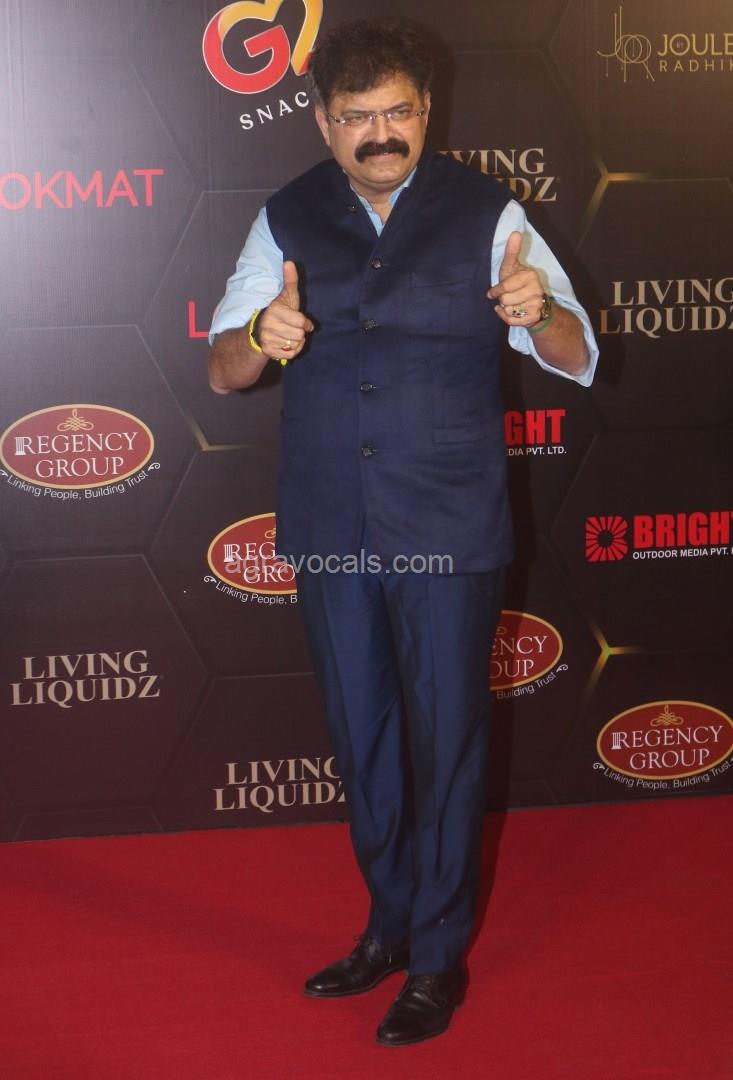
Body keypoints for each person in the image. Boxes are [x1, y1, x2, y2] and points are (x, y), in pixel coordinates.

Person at [208, 17, 598, 1047]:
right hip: (331, 524)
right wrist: (259, 335)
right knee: (362, 734)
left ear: (426, 110)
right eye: (357, 117)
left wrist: (537, 310)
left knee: (449, 739)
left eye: (399, 112)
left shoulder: (489, 212)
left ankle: (436, 958)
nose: (381, 134)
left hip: (448, 522)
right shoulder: (283, 217)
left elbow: (575, 352)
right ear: (323, 122)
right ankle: (386, 925)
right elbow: (223, 370)